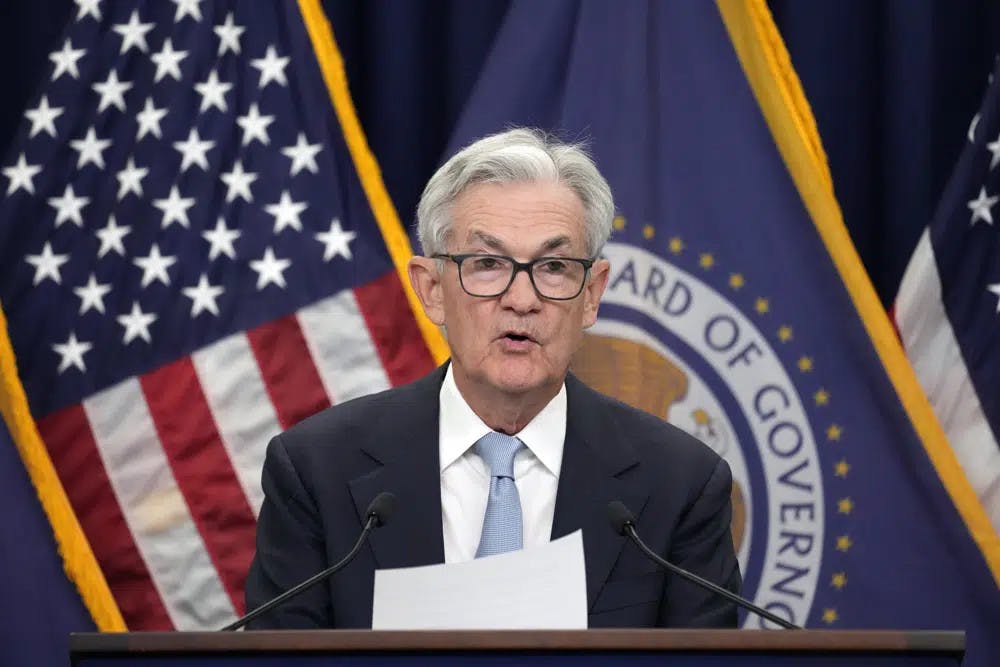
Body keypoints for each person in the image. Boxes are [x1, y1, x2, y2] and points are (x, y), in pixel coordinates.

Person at [244, 128, 741, 628]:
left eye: (553, 266)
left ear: (591, 294)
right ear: (432, 289)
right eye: (486, 264)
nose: (521, 299)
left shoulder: (681, 485)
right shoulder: (317, 471)